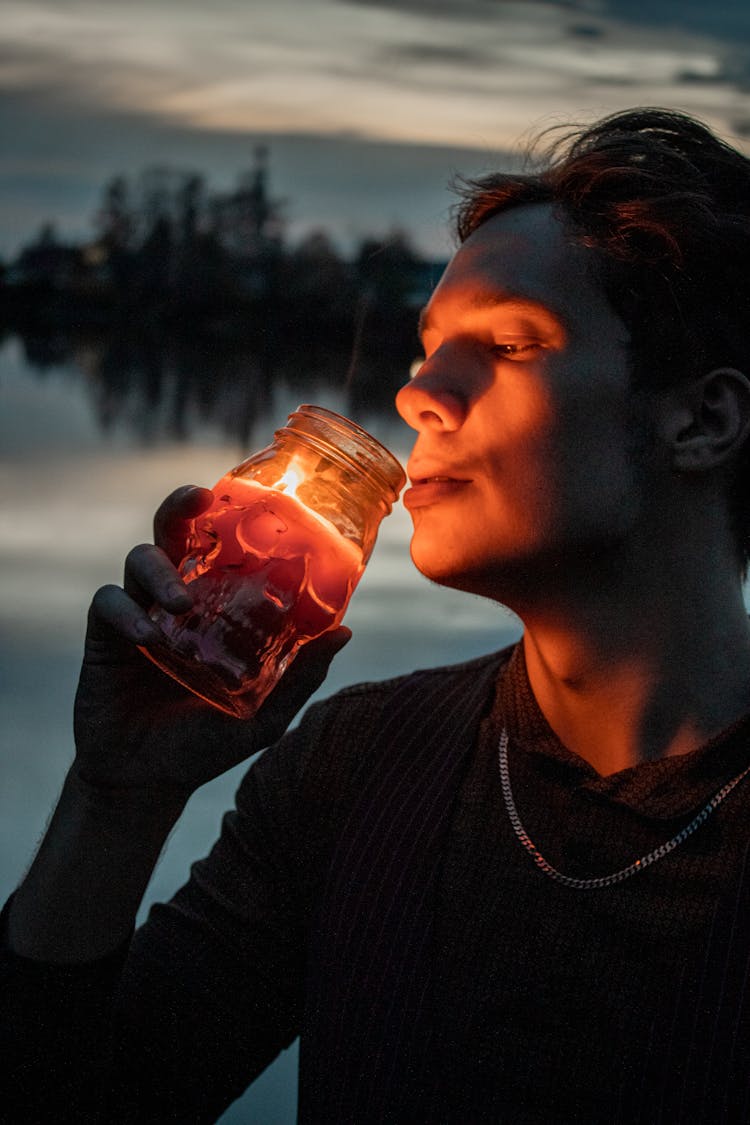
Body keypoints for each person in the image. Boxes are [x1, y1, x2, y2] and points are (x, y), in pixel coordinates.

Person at [5, 106, 750, 1123]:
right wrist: (115, 803)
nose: (416, 396)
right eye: (428, 346)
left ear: (701, 421)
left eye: (510, 345)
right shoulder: (357, 764)